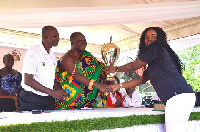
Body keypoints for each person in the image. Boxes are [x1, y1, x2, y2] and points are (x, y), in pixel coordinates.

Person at [106, 27, 195, 132]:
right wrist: (119, 86)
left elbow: (133, 66)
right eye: (146, 37)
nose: (149, 39)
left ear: (159, 39)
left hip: (177, 97)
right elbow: (140, 80)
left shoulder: (156, 48)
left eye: (153, 37)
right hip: (181, 96)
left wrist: (115, 69)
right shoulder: (156, 62)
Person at [55, 32, 111, 110]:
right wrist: (99, 86)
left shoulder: (88, 56)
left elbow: (99, 71)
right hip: (69, 104)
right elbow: (77, 76)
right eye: (80, 40)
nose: (84, 43)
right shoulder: (67, 58)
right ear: (72, 42)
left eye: (84, 40)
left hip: (88, 103)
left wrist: (107, 71)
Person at [19, 25, 67, 111]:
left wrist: (60, 91)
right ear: (45, 37)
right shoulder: (33, 53)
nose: (58, 39)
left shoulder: (52, 55)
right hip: (32, 99)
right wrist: (52, 92)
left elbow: (51, 78)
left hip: (48, 99)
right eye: (54, 36)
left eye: (58, 36)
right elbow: (28, 80)